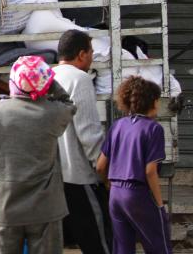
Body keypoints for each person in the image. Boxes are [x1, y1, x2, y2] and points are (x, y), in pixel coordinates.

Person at [0, 55, 76, 254]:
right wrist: (47, 80)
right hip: (45, 209)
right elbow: (69, 103)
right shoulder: (52, 113)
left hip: (4, 207)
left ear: (13, 82)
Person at [53, 30, 111, 254]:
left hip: (53, 176)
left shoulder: (48, 75)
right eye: (91, 53)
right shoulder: (80, 79)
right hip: (79, 176)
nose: (91, 58)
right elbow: (88, 131)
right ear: (81, 54)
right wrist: (102, 169)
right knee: (99, 242)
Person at [98, 76, 170, 254]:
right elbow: (150, 171)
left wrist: (109, 184)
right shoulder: (154, 129)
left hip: (115, 194)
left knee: (122, 248)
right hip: (139, 194)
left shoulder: (117, 125)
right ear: (153, 101)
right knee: (159, 246)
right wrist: (160, 204)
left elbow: (100, 166)